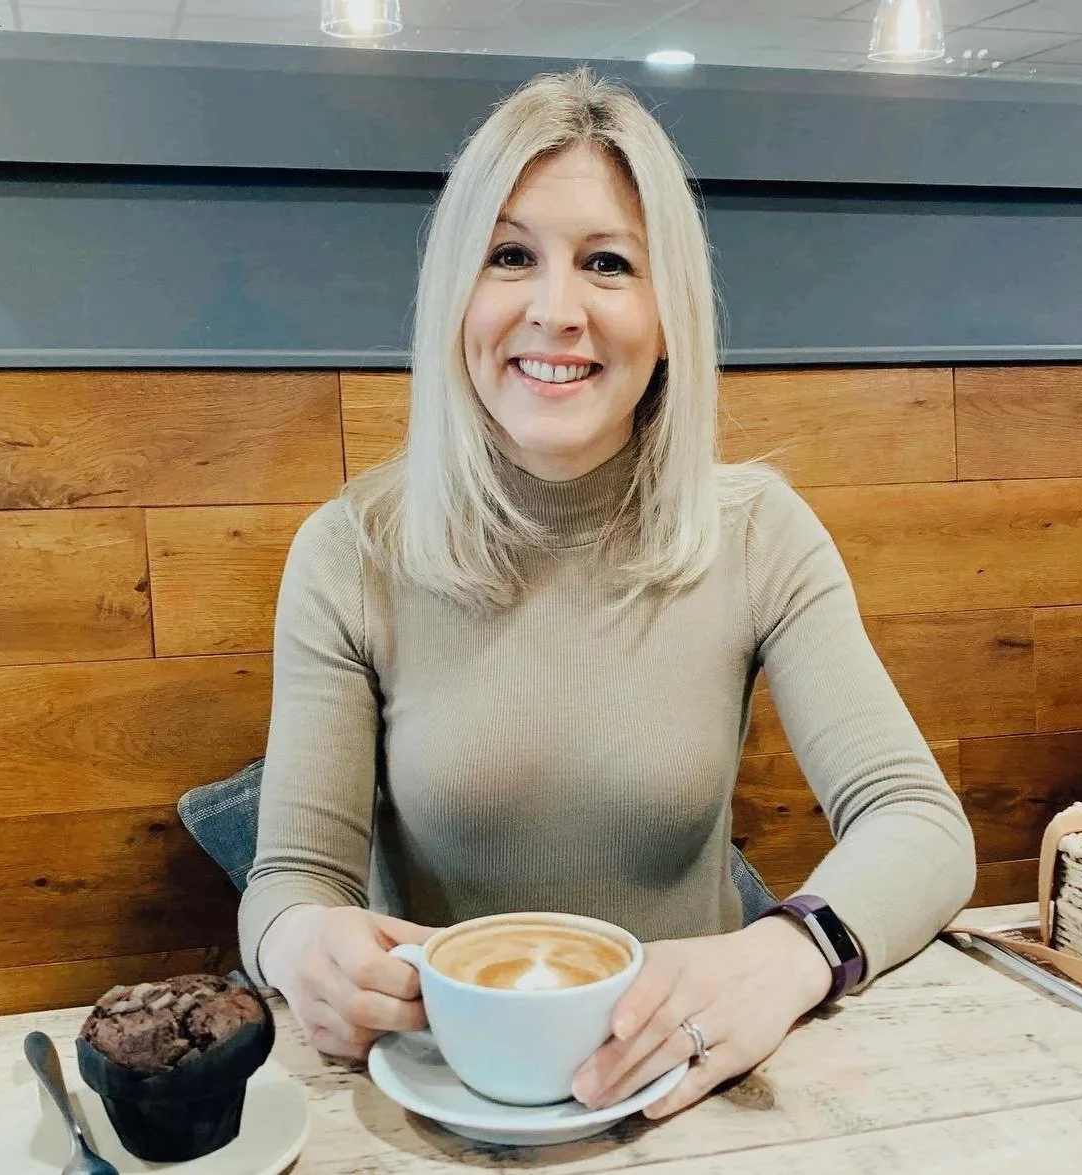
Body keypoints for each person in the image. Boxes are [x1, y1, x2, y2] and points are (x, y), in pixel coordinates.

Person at [239, 66, 976, 1120]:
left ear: (669, 312)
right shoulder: (348, 553)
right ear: (455, 298)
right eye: (508, 256)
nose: (556, 310)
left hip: (695, 1097)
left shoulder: (759, 532)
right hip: (440, 1104)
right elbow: (291, 877)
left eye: (607, 263)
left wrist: (789, 950)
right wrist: (299, 941)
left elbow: (917, 820)